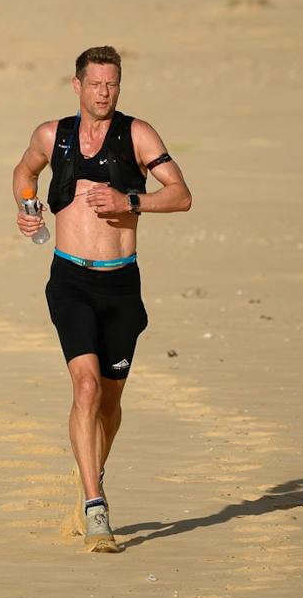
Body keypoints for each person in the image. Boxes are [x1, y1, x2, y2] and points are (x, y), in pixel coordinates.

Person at [11, 45, 192, 552]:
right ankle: (96, 508)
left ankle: (92, 470)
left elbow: (181, 194)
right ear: (77, 86)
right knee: (86, 388)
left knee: (110, 401)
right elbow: (25, 173)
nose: (104, 93)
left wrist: (129, 200)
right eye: (95, 84)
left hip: (121, 284)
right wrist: (28, 211)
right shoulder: (52, 136)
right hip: (70, 280)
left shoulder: (138, 135)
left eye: (112, 84)